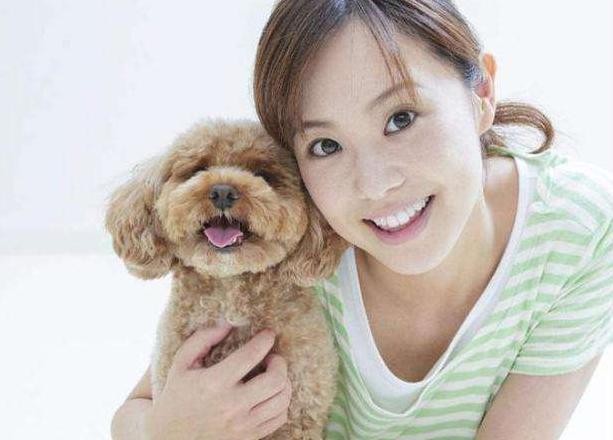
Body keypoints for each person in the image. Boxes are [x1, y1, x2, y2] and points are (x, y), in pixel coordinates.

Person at [111, 1, 612, 439]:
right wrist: (168, 432)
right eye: (325, 145)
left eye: (401, 118)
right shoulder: (294, 238)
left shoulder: (577, 233)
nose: (373, 186)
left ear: (481, 92)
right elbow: (137, 413)